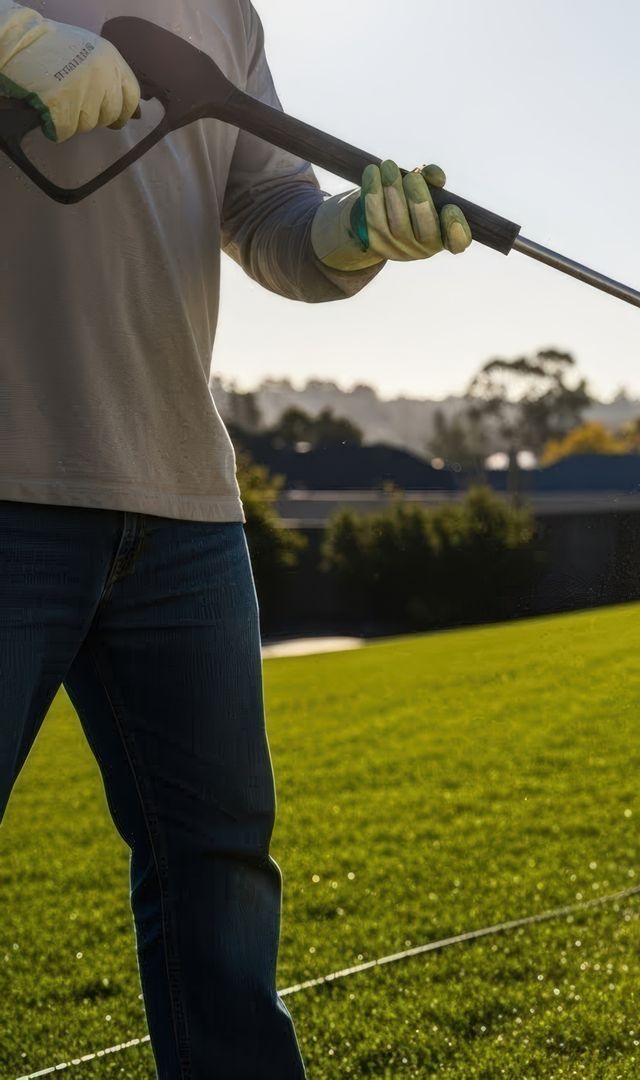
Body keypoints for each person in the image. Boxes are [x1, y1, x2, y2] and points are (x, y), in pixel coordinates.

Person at [0, 2, 467, 1075]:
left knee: (220, 870)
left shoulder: (225, 14)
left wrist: (357, 233)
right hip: (9, 480)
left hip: (181, 504)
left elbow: (268, 213)